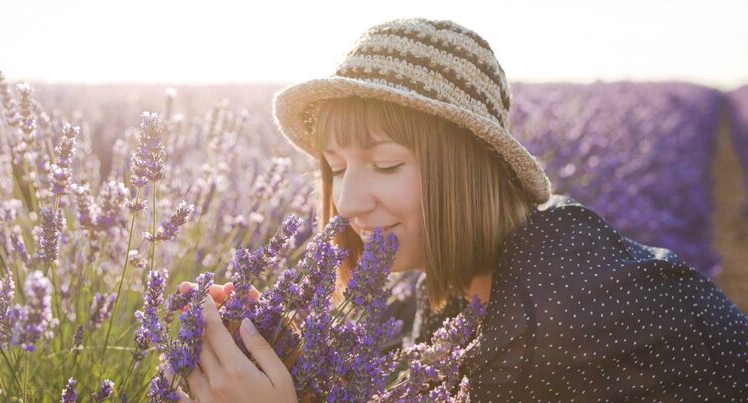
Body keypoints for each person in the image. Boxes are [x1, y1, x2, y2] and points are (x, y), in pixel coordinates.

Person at [174, 18, 748, 401]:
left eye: (387, 164)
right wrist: (293, 356)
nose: (345, 202)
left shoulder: (555, 315)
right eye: (338, 167)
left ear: (467, 170)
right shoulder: (476, 272)